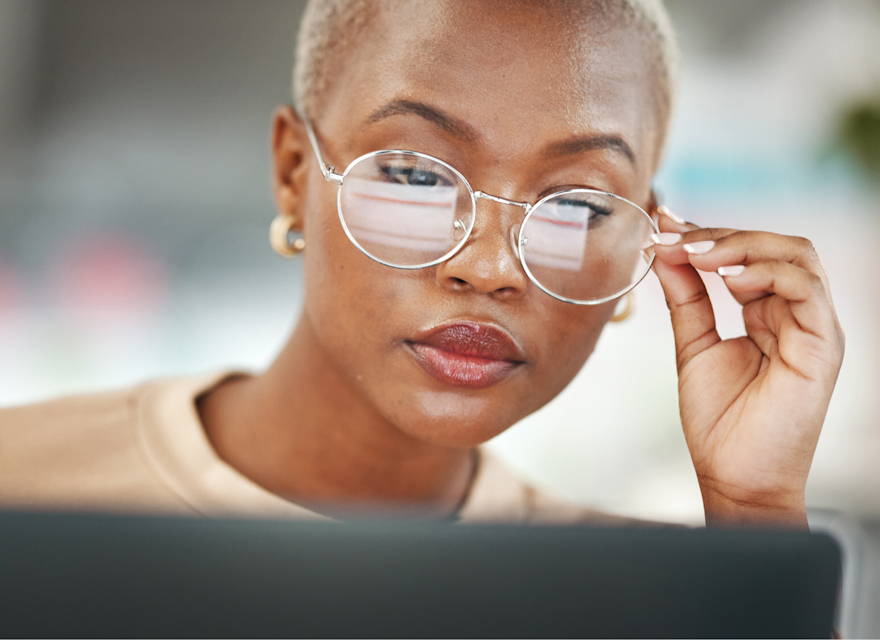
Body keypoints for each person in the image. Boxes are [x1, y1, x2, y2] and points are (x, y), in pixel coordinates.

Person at [0, 0, 843, 528]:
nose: (488, 266)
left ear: (644, 242)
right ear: (296, 175)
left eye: (579, 204)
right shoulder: (23, 486)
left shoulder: (641, 603)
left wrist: (756, 516)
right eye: (412, 173)